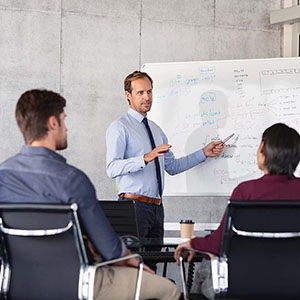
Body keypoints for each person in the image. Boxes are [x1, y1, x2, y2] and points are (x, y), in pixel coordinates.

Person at [0, 89, 181, 300]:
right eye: (63, 120)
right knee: (169, 290)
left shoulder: (3, 176)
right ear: (52, 123)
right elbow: (111, 249)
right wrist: (134, 261)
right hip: (77, 282)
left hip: (16, 282)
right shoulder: (72, 180)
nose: (66, 128)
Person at [174, 122, 300, 299]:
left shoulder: (245, 191)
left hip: (244, 285)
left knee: (203, 271)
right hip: (293, 285)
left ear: (263, 150)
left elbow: (218, 244)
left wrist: (192, 244)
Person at [106, 71, 224, 244]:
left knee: (154, 264)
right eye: (140, 93)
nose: (147, 97)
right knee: (132, 265)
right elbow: (112, 168)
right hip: (132, 207)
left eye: (149, 91)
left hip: (157, 208)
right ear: (128, 95)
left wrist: (203, 153)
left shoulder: (156, 130)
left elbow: (173, 167)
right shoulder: (119, 127)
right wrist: (145, 158)